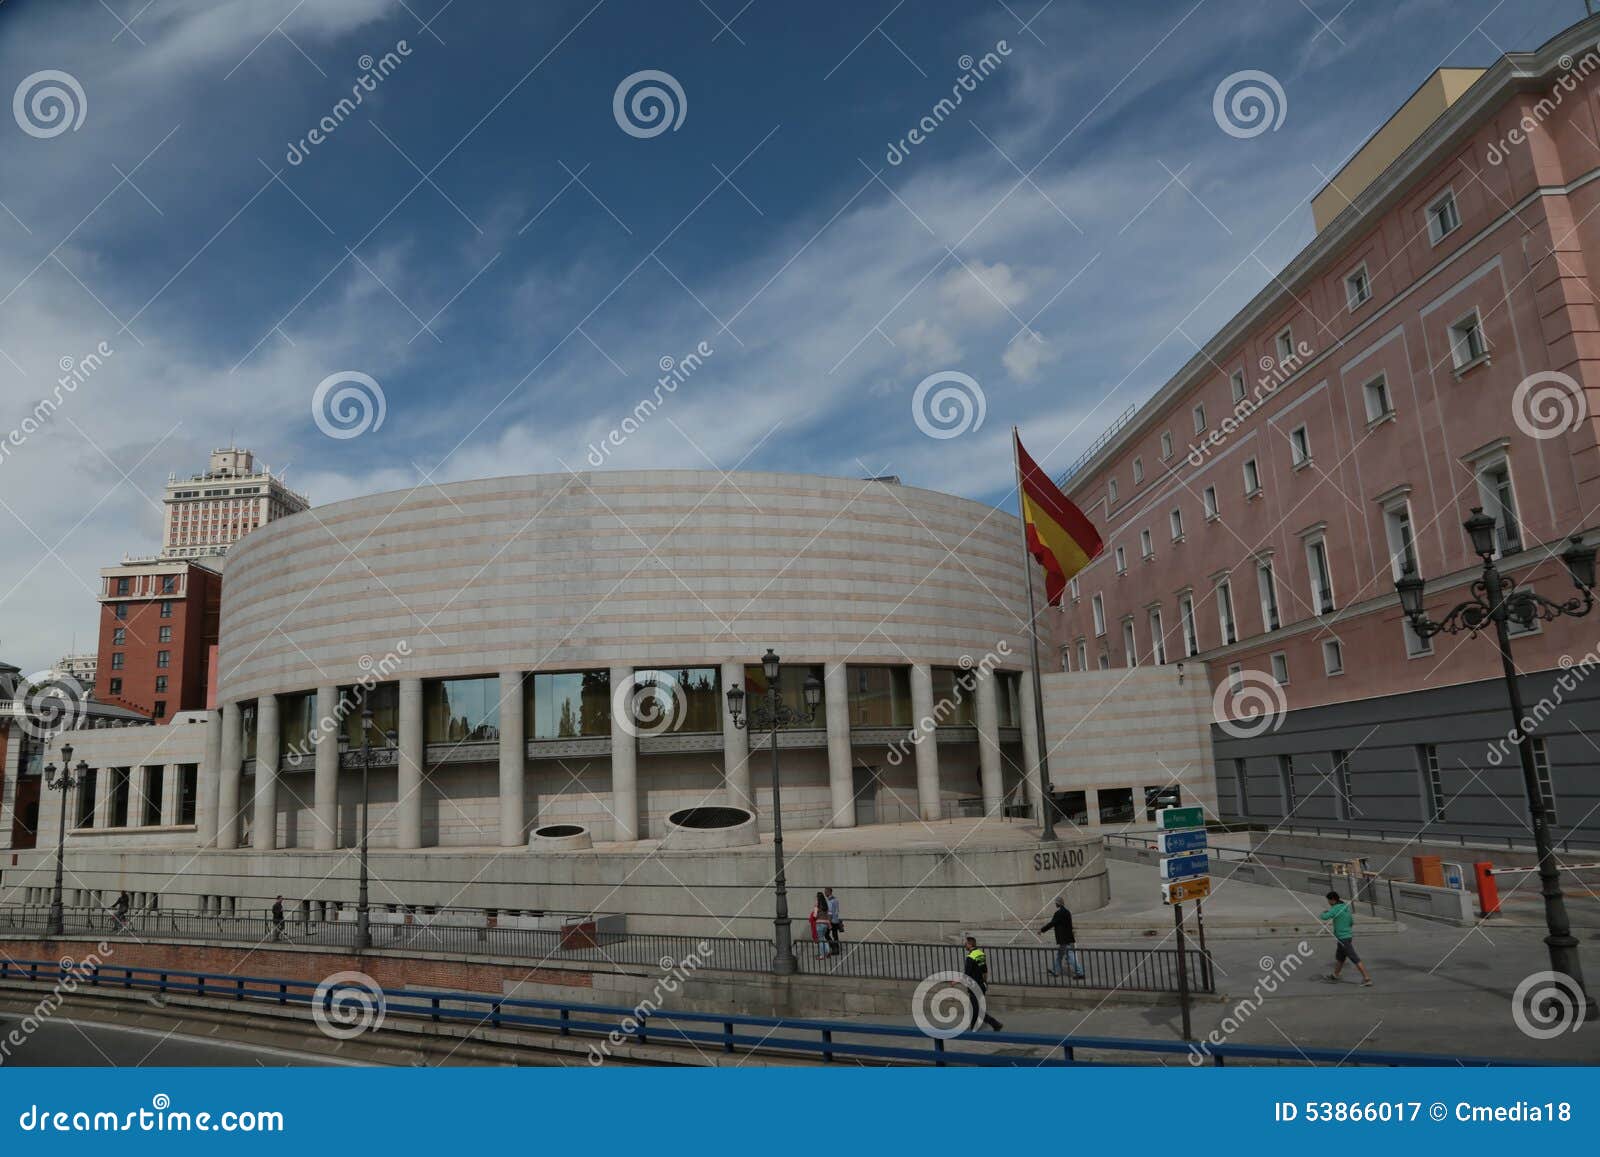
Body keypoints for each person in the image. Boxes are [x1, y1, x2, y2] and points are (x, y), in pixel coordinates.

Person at [1318, 890, 1372, 986]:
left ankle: (1367, 979)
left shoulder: (1335, 908)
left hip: (1343, 938)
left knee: (1354, 958)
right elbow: (1351, 922)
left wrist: (1324, 912)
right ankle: (1335, 975)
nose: (1328, 902)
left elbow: (1324, 917)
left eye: (1328, 900)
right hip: (1346, 936)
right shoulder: (1345, 907)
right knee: (1340, 958)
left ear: (1333, 900)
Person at [962, 935, 1003, 1031]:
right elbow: (984, 970)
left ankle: (995, 1024)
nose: (964, 945)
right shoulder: (980, 954)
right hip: (981, 984)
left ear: (970, 944)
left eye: (966, 943)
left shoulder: (970, 957)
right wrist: (985, 982)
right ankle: (973, 1027)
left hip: (974, 986)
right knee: (974, 1007)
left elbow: (966, 975)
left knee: (976, 1009)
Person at [1040, 897, 1084, 980]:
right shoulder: (1067, 912)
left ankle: (1080, 972)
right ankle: (1056, 971)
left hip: (1064, 939)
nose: (1055, 904)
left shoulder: (1058, 913)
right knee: (1059, 955)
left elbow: (1052, 923)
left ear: (1058, 903)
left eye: (1056, 903)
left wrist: (1042, 930)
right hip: (1068, 937)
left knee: (1070, 956)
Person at [810, 892, 832, 957]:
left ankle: (822, 955)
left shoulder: (817, 906)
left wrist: (815, 908)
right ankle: (828, 952)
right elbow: (828, 915)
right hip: (825, 924)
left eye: (816, 897)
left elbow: (814, 916)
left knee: (820, 940)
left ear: (817, 898)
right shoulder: (825, 906)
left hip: (819, 924)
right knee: (823, 938)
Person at [824, 886, 842, 954]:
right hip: (836, 920)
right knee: (835, 935)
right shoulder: (836, 900)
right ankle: (837, 949)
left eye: (826, 891)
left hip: (831, 920)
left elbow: (830, 913)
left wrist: (828, 922)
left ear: (829, 892)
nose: (825, 893)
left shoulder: (829, 901)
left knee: (826, 934)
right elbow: (837, 911)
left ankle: (834, 947)